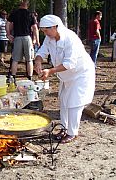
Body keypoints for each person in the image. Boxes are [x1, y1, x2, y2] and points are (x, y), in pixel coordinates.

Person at [34, 15, 95, 143]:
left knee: (74, 103)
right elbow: (42, 51)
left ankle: (72, 133)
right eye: (43, 31)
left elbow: (69, 64)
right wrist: (38, 62)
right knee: (64, 101)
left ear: (55, 27)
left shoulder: (70, 38)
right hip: (66, 76)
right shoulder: (49, 37)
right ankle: (64, 128)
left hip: (80, 73)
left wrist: (50, 71)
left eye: (46, 30)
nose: (45, 33)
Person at [6, 0, 39, 81]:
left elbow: (7, 24)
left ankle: (13, 77)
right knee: (29, 59)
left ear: (19, 5)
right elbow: (35, 28)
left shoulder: (14, 13)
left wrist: (8, 34)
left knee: (15, 59)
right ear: (27, 5)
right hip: (27, 37)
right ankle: (30, 77)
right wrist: (37, 40)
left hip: (17, 37)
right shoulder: (30, 14)